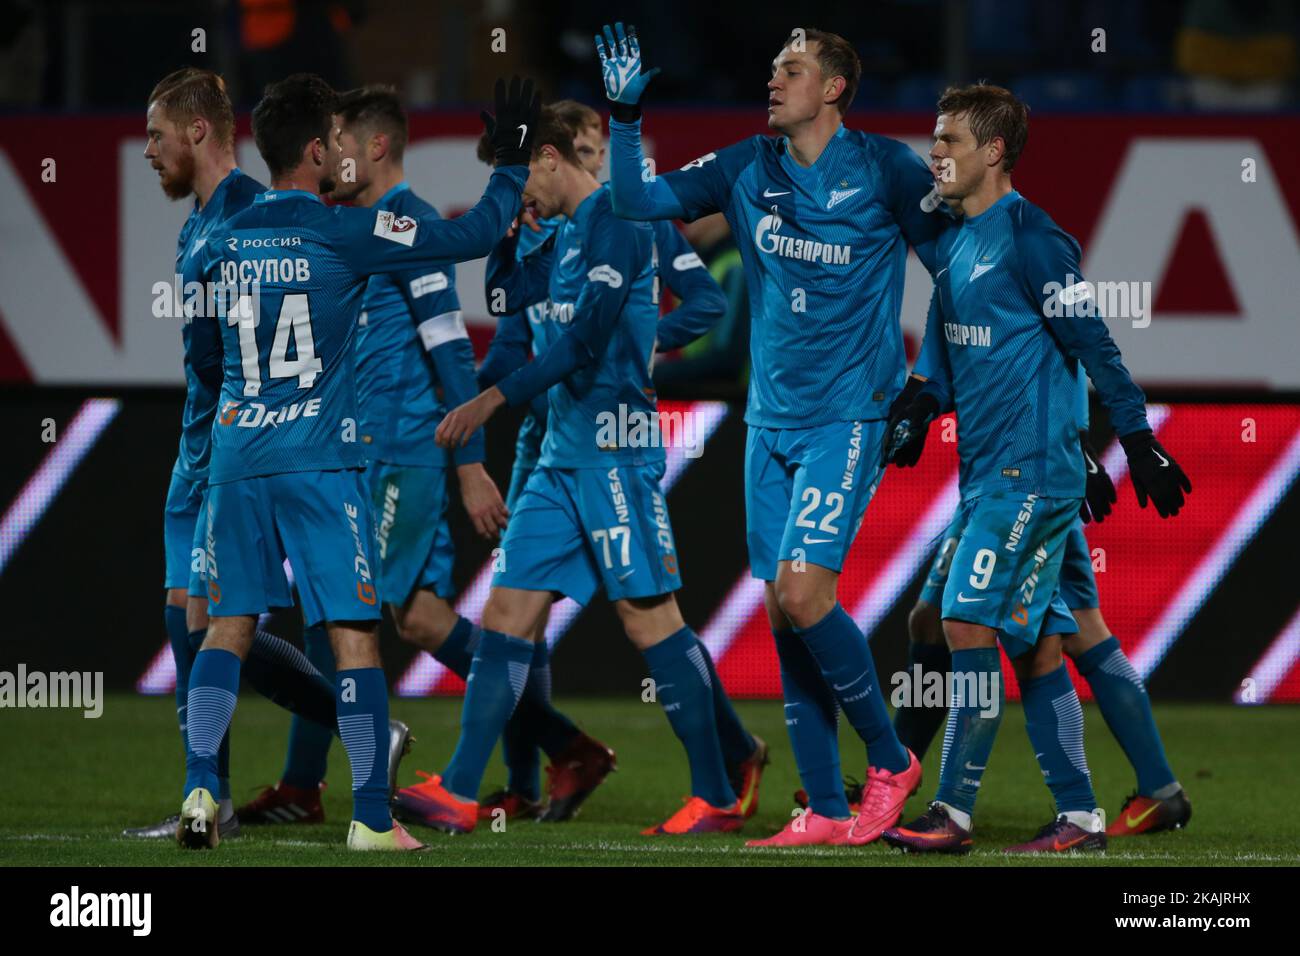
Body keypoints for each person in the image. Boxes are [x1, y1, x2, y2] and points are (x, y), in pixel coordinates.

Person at [596, 22, 946, 846]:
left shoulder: (888, 168)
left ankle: (891, 761)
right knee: (784, 615)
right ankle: (824, 808)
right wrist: (622, 120)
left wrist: (927, 386)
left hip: (851, 414)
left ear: (832, 89)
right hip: (768, 420)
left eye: (792, 69)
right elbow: (633, 201)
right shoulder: (745, 165)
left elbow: (954, 280)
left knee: (802, 595)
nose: (774, 81)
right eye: (773, 67)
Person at [179, 72, 538, 851]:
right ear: (315, 151)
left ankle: (203, 788)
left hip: (238, 458)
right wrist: (509, 164)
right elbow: (469, 237)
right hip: (322, 463)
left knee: (229, 626)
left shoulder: (218, 241)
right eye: (336, 140)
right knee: (352, 635)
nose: (344, 151)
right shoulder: (348, 231)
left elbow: (203, 359)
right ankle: (372, 817)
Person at [393, 104, 752, 836]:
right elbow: (508, 300)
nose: (518, 197)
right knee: (506, 613)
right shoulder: (558, 232)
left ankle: (717, 789)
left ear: (554, 160)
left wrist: (495, 397)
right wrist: (507, 218)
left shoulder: (621, 219)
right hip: (560, 455)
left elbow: (585, 341)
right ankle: (463, 790)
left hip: (614, 456)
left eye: (525, 179)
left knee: (649, 619)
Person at [879, 82, 1191, 854]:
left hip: (1026, 477)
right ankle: (1124, 800)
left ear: (993, 152)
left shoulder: (1035, 239)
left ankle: (948, 811)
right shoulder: (954, 242)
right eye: (935, 138)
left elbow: (1090, 346)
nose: (935, 154)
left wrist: (1136, 440)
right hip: (994, 473)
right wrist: (923, 398)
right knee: (1061, 636)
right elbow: (959, 349)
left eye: (949, 141)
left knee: (962, 622)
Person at [129, 66, 388, 841]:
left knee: (217, 618)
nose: (146, 151)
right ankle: (207, 793)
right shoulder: (196, 224)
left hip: (244, 451)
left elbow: (231, 357)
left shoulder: (251, 211)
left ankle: (221, 789)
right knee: (193, 615)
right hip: (203, 450)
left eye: (155, 134)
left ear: (198, 131)